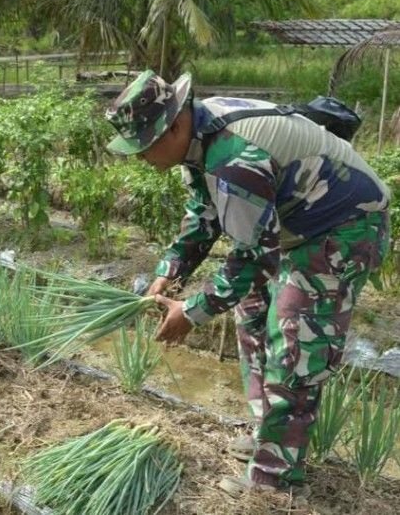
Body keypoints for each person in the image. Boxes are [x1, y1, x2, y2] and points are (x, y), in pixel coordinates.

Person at [104, 70, 389, 496]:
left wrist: (192, 313)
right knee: (252, 311)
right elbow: (204, 215)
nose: (141, 158)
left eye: (144, 146)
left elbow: (254, 257)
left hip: (345, 227)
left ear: (175, 125)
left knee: (296, 339)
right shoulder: (200, 138)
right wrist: (170, 270)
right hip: (294, 226)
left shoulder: (235, 159)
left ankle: (274, 480)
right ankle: (266, 435)